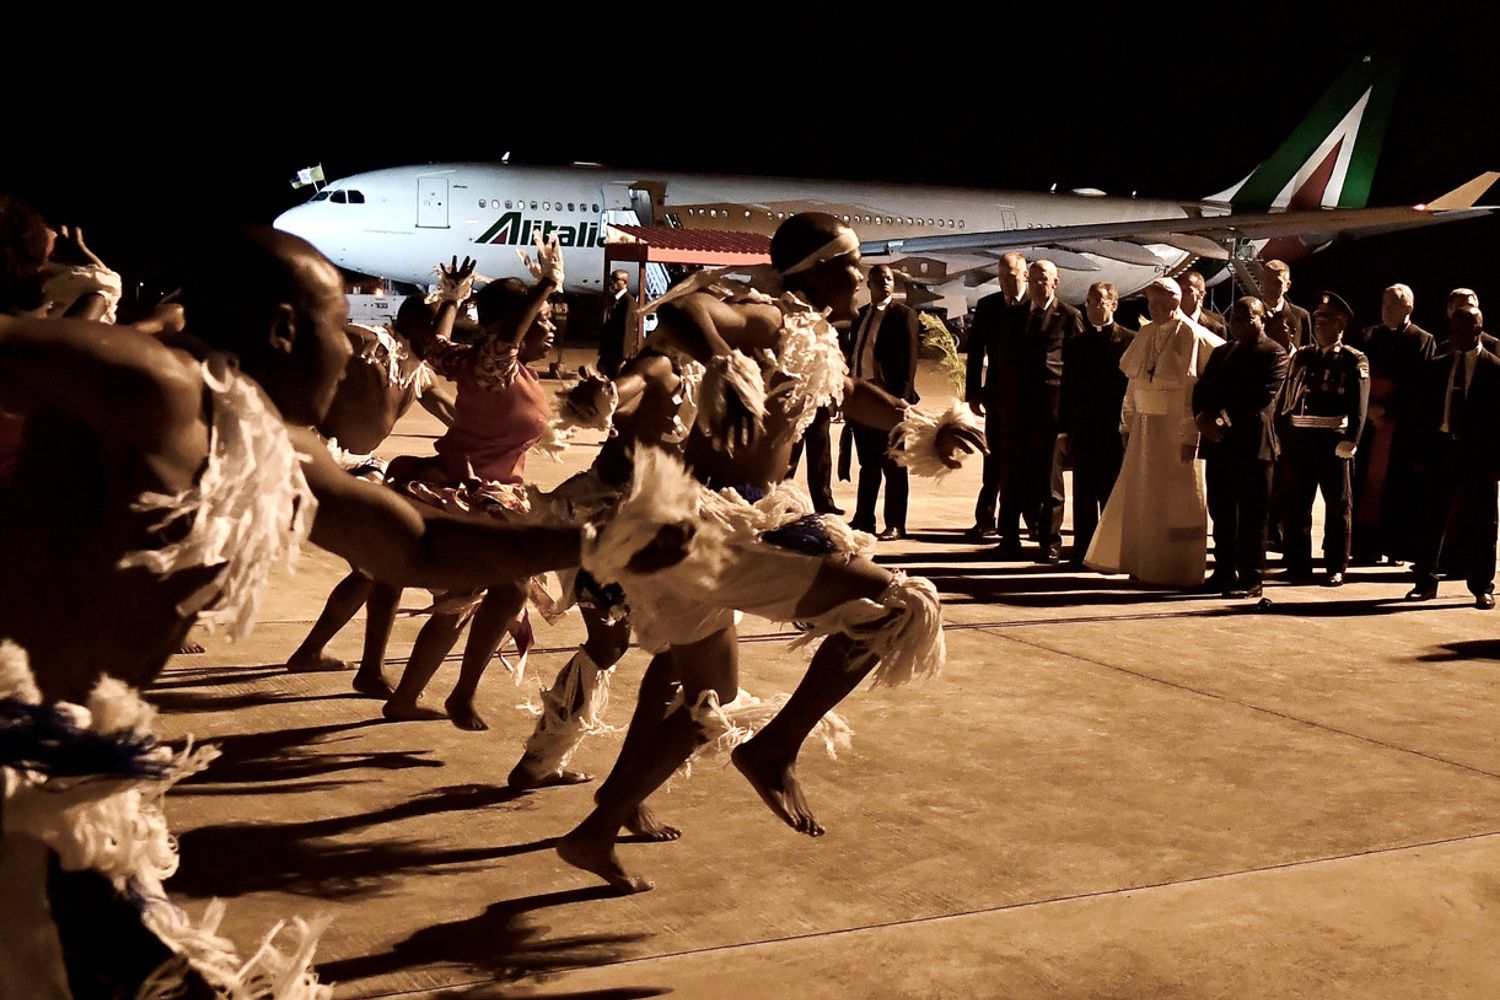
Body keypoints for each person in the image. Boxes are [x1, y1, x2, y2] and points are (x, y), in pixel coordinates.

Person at [0, 227, 593, 997]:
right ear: (283, 330)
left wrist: (586, 541)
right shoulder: (156, 385)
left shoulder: (270, 445)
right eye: (339, 323)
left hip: (64, 775)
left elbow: (416, 547)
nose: (353, 349)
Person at [555, 213, 983, 893]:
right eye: (851, 261)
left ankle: (594, 834)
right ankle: (776, 748)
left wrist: (927, 426)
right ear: (815, 268)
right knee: (898, 606)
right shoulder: (770, 317)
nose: (863, 273)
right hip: (707, 526)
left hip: (693, 528)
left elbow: (847, 395)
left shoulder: (816, 338)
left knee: (705, 697)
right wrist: (725, 362)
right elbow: (693, 308)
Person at [378, 255, 562, 729]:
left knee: (462, 603)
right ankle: (459, 695)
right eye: (541, 321)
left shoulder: (481, 362)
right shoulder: (493, 367)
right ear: (511, 327)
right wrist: (544, 285)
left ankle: (410, 698)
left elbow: (437, 343)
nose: (551, 328)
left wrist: (453, 300)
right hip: (472, 497)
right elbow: (504, 340)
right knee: (505, 589)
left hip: (490, 497)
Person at [285, 300, 457, 677]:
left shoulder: (417, 373)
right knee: (377, 564)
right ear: (413, 324)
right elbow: (320, 332)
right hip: (318, 459)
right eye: (438, 327)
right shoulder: (371, 344)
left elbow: (453, 413)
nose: (445, 338)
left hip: (361, 467)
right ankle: (363, 668)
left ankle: (322, 655)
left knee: (374, 567)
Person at [1085, 277, 1223, 587]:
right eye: (1151, 304)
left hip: (1176, 430)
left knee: (1176, 502)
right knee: (1143, 500)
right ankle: (1142, 562)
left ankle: (1174, 568)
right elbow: (1133, 384)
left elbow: (1192, 393)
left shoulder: (1192, 335)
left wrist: (1191, 438)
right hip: (1145, 430)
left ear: (1177, 303)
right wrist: (1127, 422)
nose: (1155, 310)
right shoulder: (1146, 332)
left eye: (1162, 305)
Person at [1192, 298, 1289, 597]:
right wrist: (1201, 418)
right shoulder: (1223, 352)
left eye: (1248, 319)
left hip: (1254, 447)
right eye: (1235, 319)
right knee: (1222, 512)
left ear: (1261, 320)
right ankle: (1223, 571)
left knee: (1252, 515)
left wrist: (1221, 419)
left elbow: (1260, 397)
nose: (1240, 324)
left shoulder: (1274, 353)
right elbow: (1202, 389)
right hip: (1221, 446)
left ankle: (1251, 577)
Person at [1406, 304, 1500, 609]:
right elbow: (1422, 414)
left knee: (1482, 523)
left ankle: (1481, 586)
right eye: (1452, 330)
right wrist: (1421, 452)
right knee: (1430, 519)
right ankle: (1425, 582)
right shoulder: (1439, 365)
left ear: (1478, 331)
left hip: (1478, 456)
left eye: (1462, 331)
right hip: (1442, 450)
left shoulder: (1495, 369)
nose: (1455, 336)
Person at [992, 260, 1083, 562]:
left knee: (1049, 481)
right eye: (1032, 279)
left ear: (1056, 283)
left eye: (1043, 279)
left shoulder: (1069, 317)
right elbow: (1001, 362)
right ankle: (1008, 537)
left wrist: (1069, 418)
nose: (1036, 284)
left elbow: (1079, 369)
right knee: (1011, 475)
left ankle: (1050, 541)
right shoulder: (1014, 316)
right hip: (1016, 410)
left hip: (1050, 411)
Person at [1277, 292, 1370, 586]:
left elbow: (1359, 404)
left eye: (1326, 321)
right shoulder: (1303, 355)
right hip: (1300, 437)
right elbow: (1286, 398)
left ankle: (1335, 564)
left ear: (1341, 326)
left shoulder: (1353, 359)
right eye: (1316, 321)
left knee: (1338, 506)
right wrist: (1281, 434)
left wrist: (1353, 439)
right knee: (1296, 503)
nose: (1319, 326)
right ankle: (1297, 562)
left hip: (1332, 438)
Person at [1345, 284, 1435, 564]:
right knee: (1364, 486)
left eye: (1392, 305)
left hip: (1399, 426)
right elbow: (1356, 376)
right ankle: (1363, 547)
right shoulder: (1369, 335)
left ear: (1408, 308)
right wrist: (1367, 407)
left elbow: (1421, 386)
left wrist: (1388, 410)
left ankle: (1394, 547)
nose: (1386, 309)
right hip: (1370, 423)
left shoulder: (1422, 340)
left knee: (1397, 489)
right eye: (1383, 303)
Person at [1059, 281, 1133, 566]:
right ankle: (1082, 550)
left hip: (1114, 430)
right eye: (1089, 302)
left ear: (1114, 304)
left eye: (1100, 302)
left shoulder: (1129, 340)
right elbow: (1068, 389)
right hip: (1084, 428)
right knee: (1083, 492)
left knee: (1112, 493)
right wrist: (1064, 429)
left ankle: (1113, 551)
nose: (1093, 307)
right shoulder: (1077, 343)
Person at [848, 263, 920, 540]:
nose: (885, 284)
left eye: (889, 279)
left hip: (890, 401)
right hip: (863, 398)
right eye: (879, 280)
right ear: (870, 284)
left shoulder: (904, 315)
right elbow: (855, 353)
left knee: (894, 464)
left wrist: (900, 400)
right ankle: (864, 518)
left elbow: (909, 362)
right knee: (868, 465)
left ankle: (896, 523)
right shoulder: (862, 315)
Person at [964, 250, 1028, 539]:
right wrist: (973, 393)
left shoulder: (1035, 306)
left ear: (1024, 275)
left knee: (1026, 461)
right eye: (1000, 276)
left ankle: (1028, 519)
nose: (1005, 282)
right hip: (997, 396)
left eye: (1011, 276)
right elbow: (975, 352)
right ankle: (985, 518)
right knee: (993, 459)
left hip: (1028, 398)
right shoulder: (988, 306)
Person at [1259, 260, 1312, 349]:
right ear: (1261, 281)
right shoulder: (1247, 313)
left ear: (1287, 285)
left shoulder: (1301, 316)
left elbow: (1306, 355)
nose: (1271, 286)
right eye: (1268, 280)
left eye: (1277, 282)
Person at [598, 268, 639, 378]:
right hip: (609, 354)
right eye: (611, 279)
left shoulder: (629, 302)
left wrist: (624, 356)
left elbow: (627, 329)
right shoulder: (615, 300)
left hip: (618, 355)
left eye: (616, 279)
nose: (612, 282)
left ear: (625, 282)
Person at [1181, 270, 1227, 338]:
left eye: (1187, 291)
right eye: (1179, 289)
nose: (1181, 294)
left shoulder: (1216, 327)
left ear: (1201, 294)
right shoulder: (1167, 320)